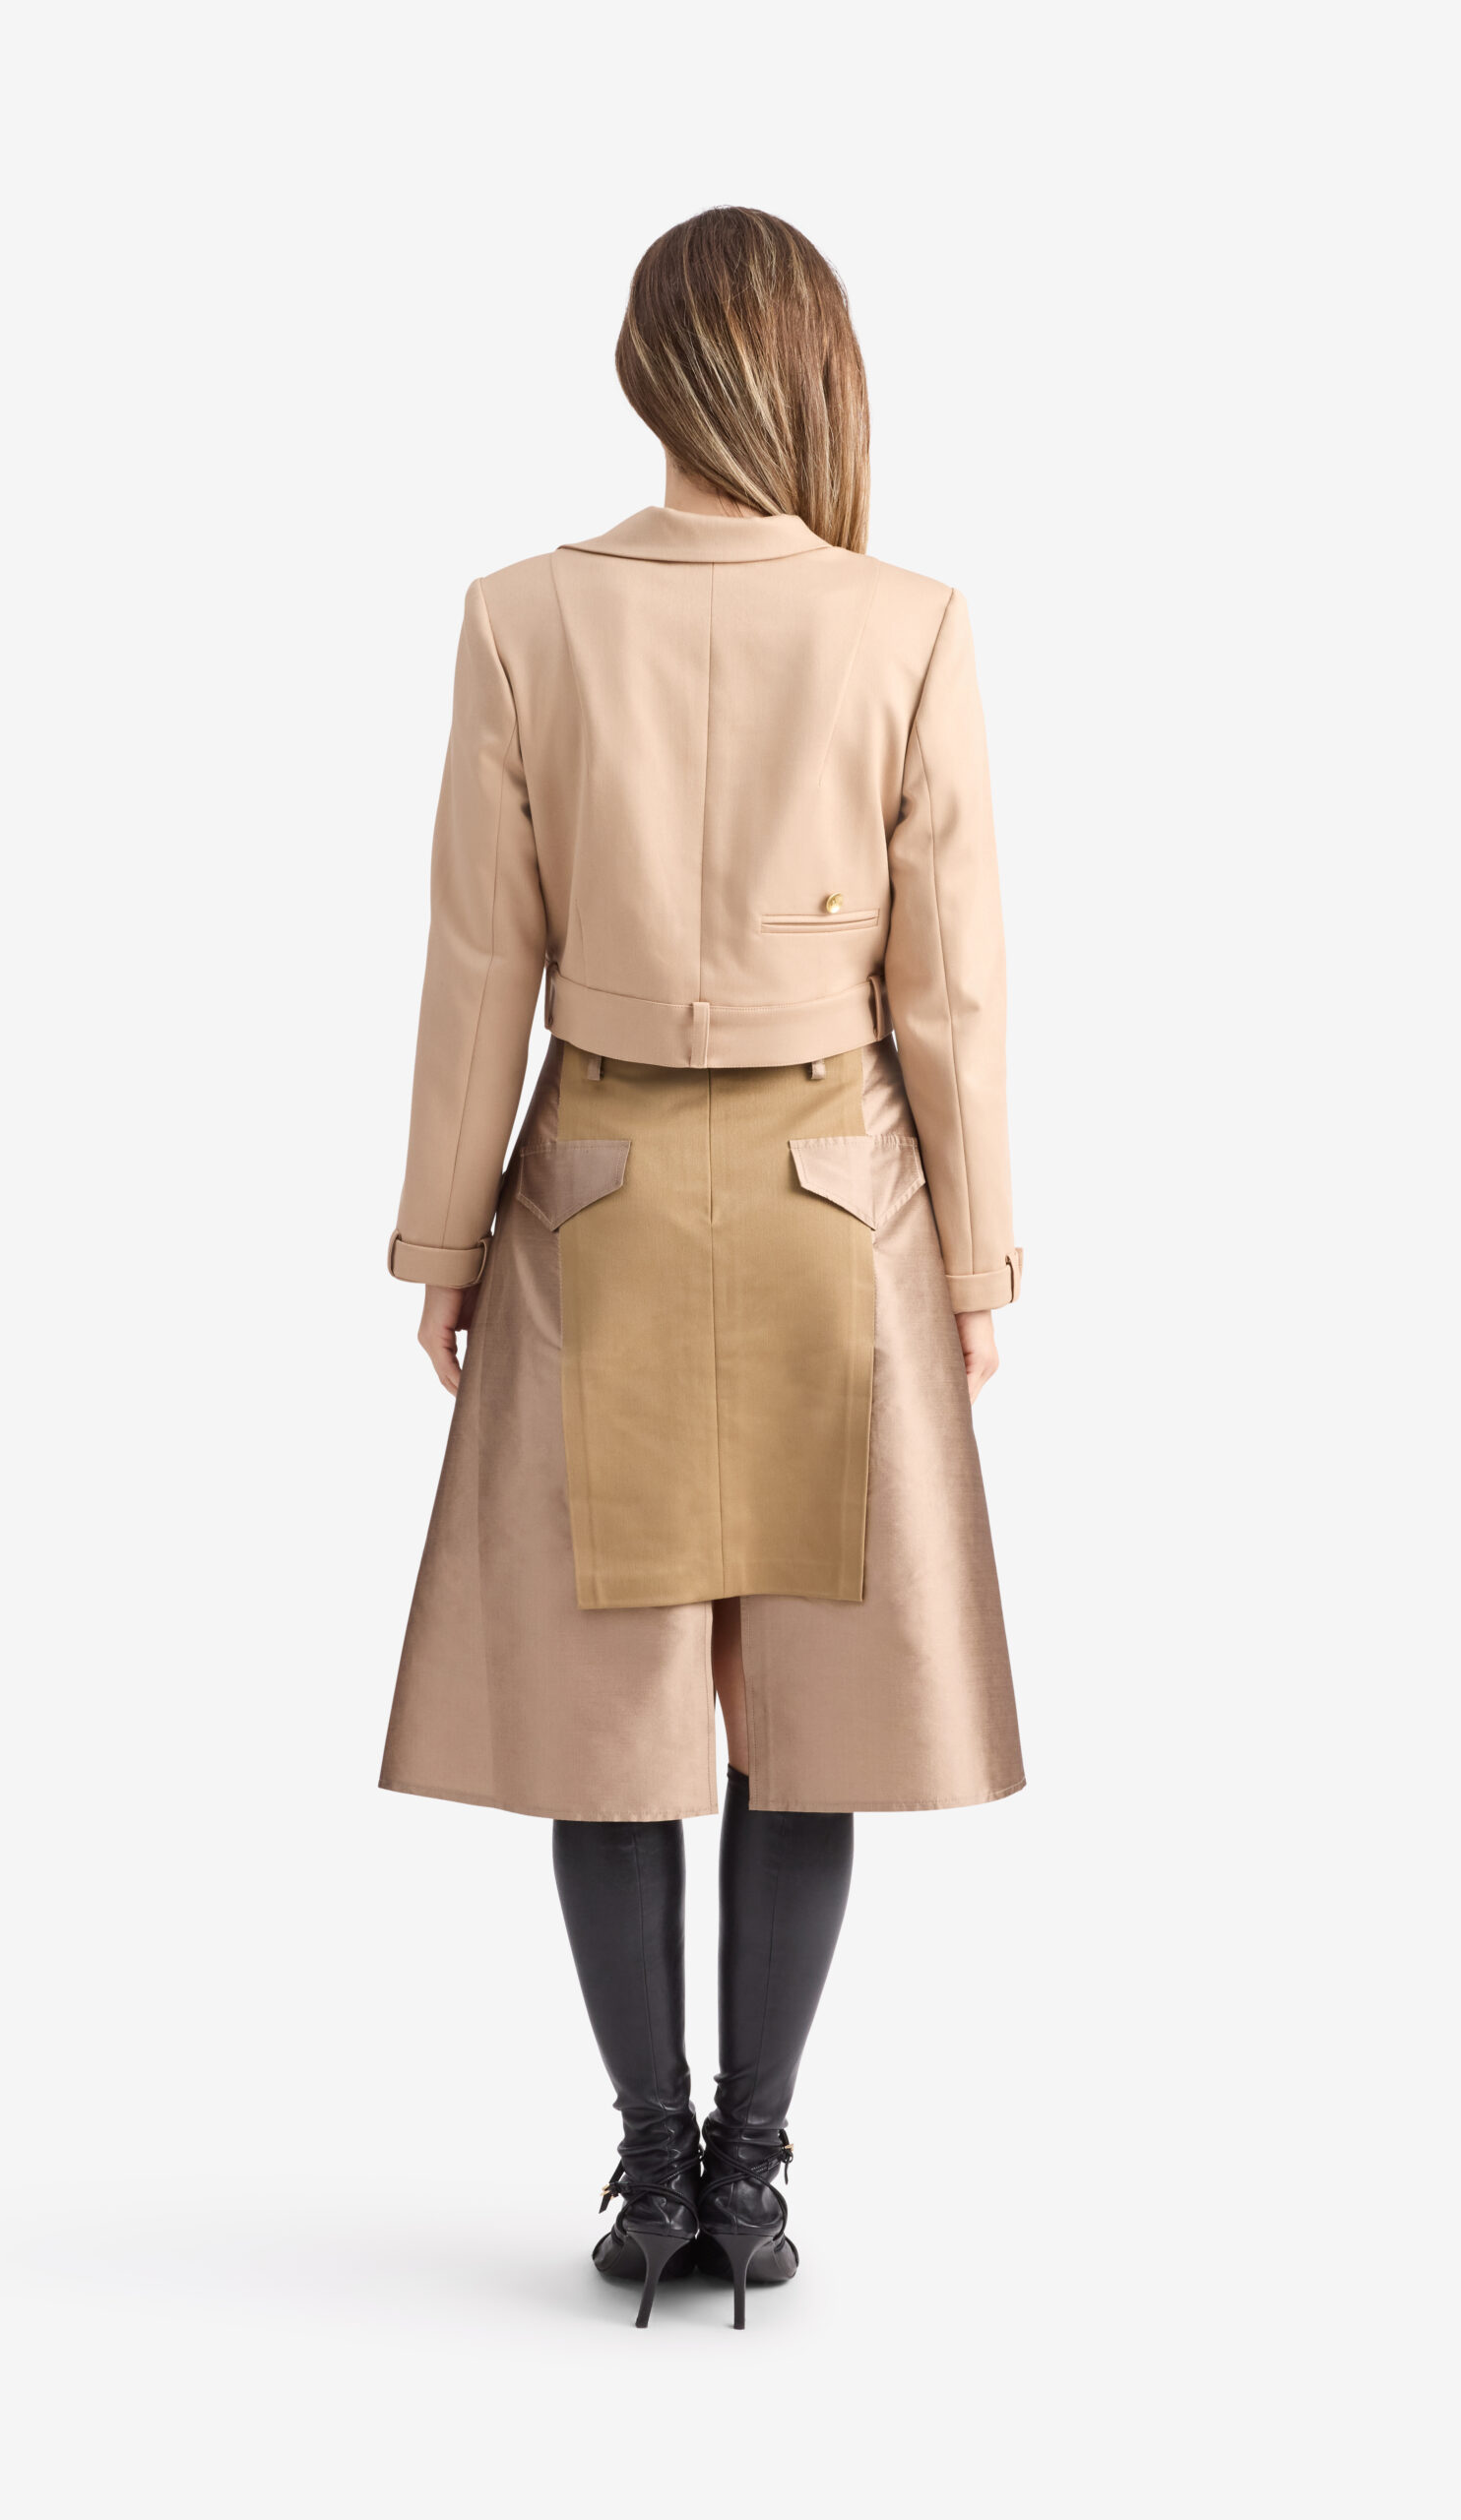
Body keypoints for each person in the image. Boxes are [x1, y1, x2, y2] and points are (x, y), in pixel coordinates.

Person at [380, 206, 1024, 2328]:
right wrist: (979, 1256)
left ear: (642, 369)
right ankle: (751, 2171)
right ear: (813, 370)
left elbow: (478, 959)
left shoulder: (520, 617)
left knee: (615, 1708)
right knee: (802, 1716)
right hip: (846, 1194)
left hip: (598, 1191)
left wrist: (443, 1233)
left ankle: (651, 2162)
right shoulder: (906, 622)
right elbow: (952, 992)